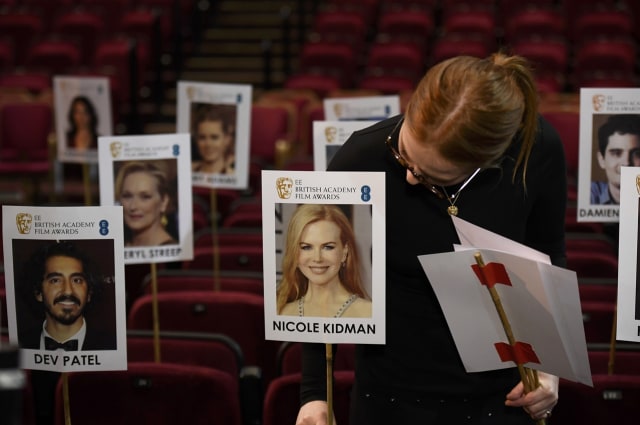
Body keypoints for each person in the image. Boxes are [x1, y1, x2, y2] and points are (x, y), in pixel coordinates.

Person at [297, 53, 565, 424]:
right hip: (390, 389)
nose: (409, 177)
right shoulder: (360, 157)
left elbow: (547, 254)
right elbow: (321, 288)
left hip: (503, 393)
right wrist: (314, 396)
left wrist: (548, 364)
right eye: (403, 155)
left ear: (485, 161)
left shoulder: (539, 150)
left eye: (428, 176)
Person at [277, 204, 372, 318]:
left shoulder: (369, 312)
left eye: (328, 247)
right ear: (294, 253)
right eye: (306, 247)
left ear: (344, 252)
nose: (317, 258)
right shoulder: (282, 312)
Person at [19, 240, 115, 351]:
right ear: (38, 293)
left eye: (77, 280)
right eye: (55, 280)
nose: (68, 291)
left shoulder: (111, 346)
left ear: (89, 293)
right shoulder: (20, 344)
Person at [115, 161, 178, 247]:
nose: (133, 206)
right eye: (127, 196)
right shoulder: (117, 249)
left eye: (145, 197)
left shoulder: (176, 256)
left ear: (164, 202)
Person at [590, 114, 640, 204]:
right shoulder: (590, 193)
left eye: (637, 154)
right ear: (601, 160)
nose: (626, 162)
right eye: (616, 153)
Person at [191, 103, 236, 174]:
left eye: (214, 137)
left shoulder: (235, 176)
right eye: (202, 137)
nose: (208, 144)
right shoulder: (187, 172)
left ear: (227, 139)